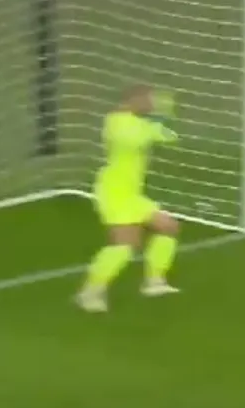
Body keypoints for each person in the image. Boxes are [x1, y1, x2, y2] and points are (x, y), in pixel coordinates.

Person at [76, 85, 181, 313]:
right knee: (125, 246)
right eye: (148, 100)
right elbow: (137, 140)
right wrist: (157, 123)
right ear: (134, 100)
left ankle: (155, 282)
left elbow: (171, 137)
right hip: (114, 192)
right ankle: (90, 292)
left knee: (168, 227)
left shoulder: (139, 122)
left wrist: (161, 122)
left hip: (131, 194)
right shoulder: (116, 122)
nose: (151, 104)